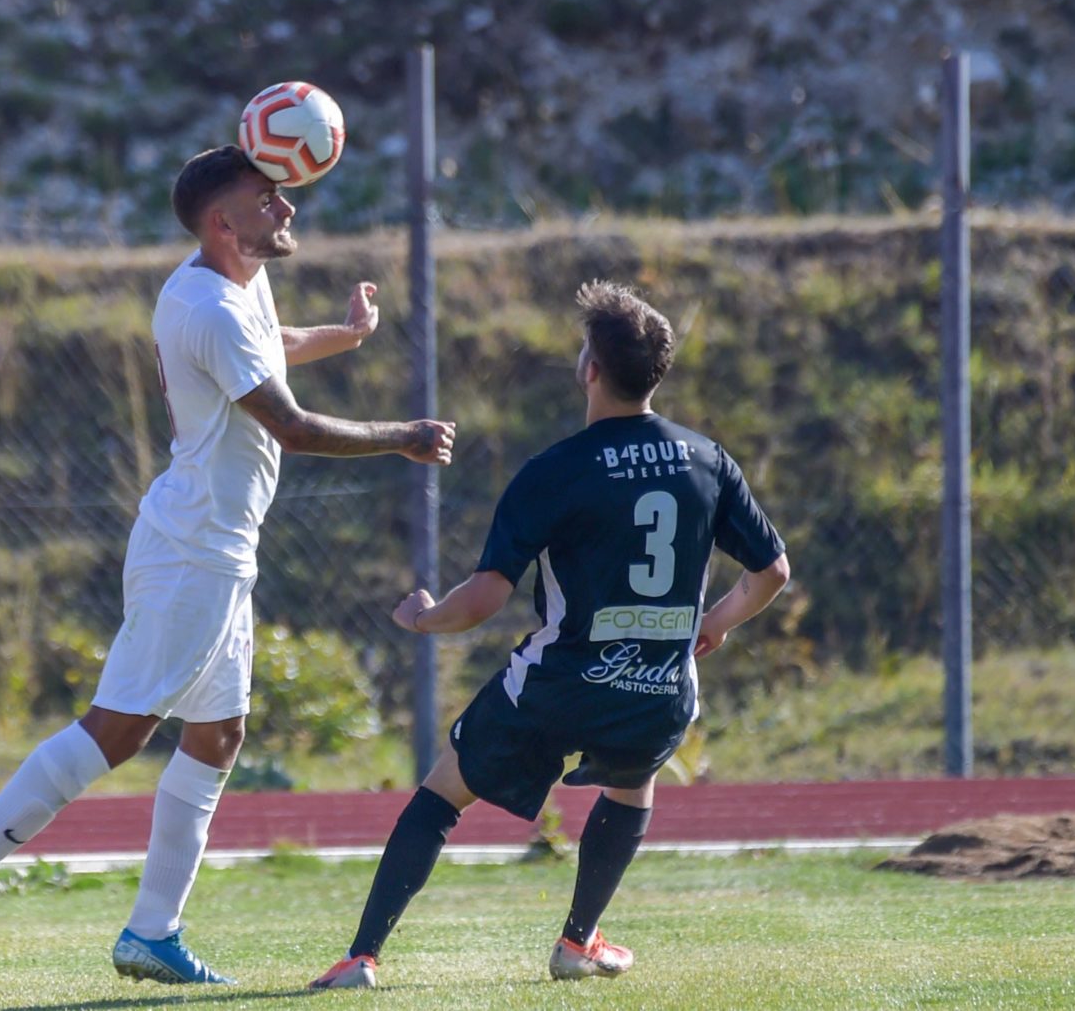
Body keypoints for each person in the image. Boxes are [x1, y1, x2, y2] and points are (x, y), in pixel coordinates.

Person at [0, 145, 455, 986]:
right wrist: (405, 437)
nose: (287, 208)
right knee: (119, 730)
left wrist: (345, 336)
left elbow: (269, 346)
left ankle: (152, 932)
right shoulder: (207, 306)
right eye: (267, 198)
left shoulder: (241, 283)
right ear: (222, 221)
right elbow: (293, 427)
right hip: (192, 550)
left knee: (218, 735)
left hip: (220, 549)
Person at [309, 280, 790, 990]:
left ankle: (362, 958)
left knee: (442, 793)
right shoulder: (708, 461)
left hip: (558, 683)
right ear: (656, 373)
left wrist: (422, 617)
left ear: (589, 368)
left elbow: (483, 600)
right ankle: (577, 942)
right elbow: (772, 571)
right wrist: (710, 627)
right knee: (632, 782)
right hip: (657, 689)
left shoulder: (554, 471)